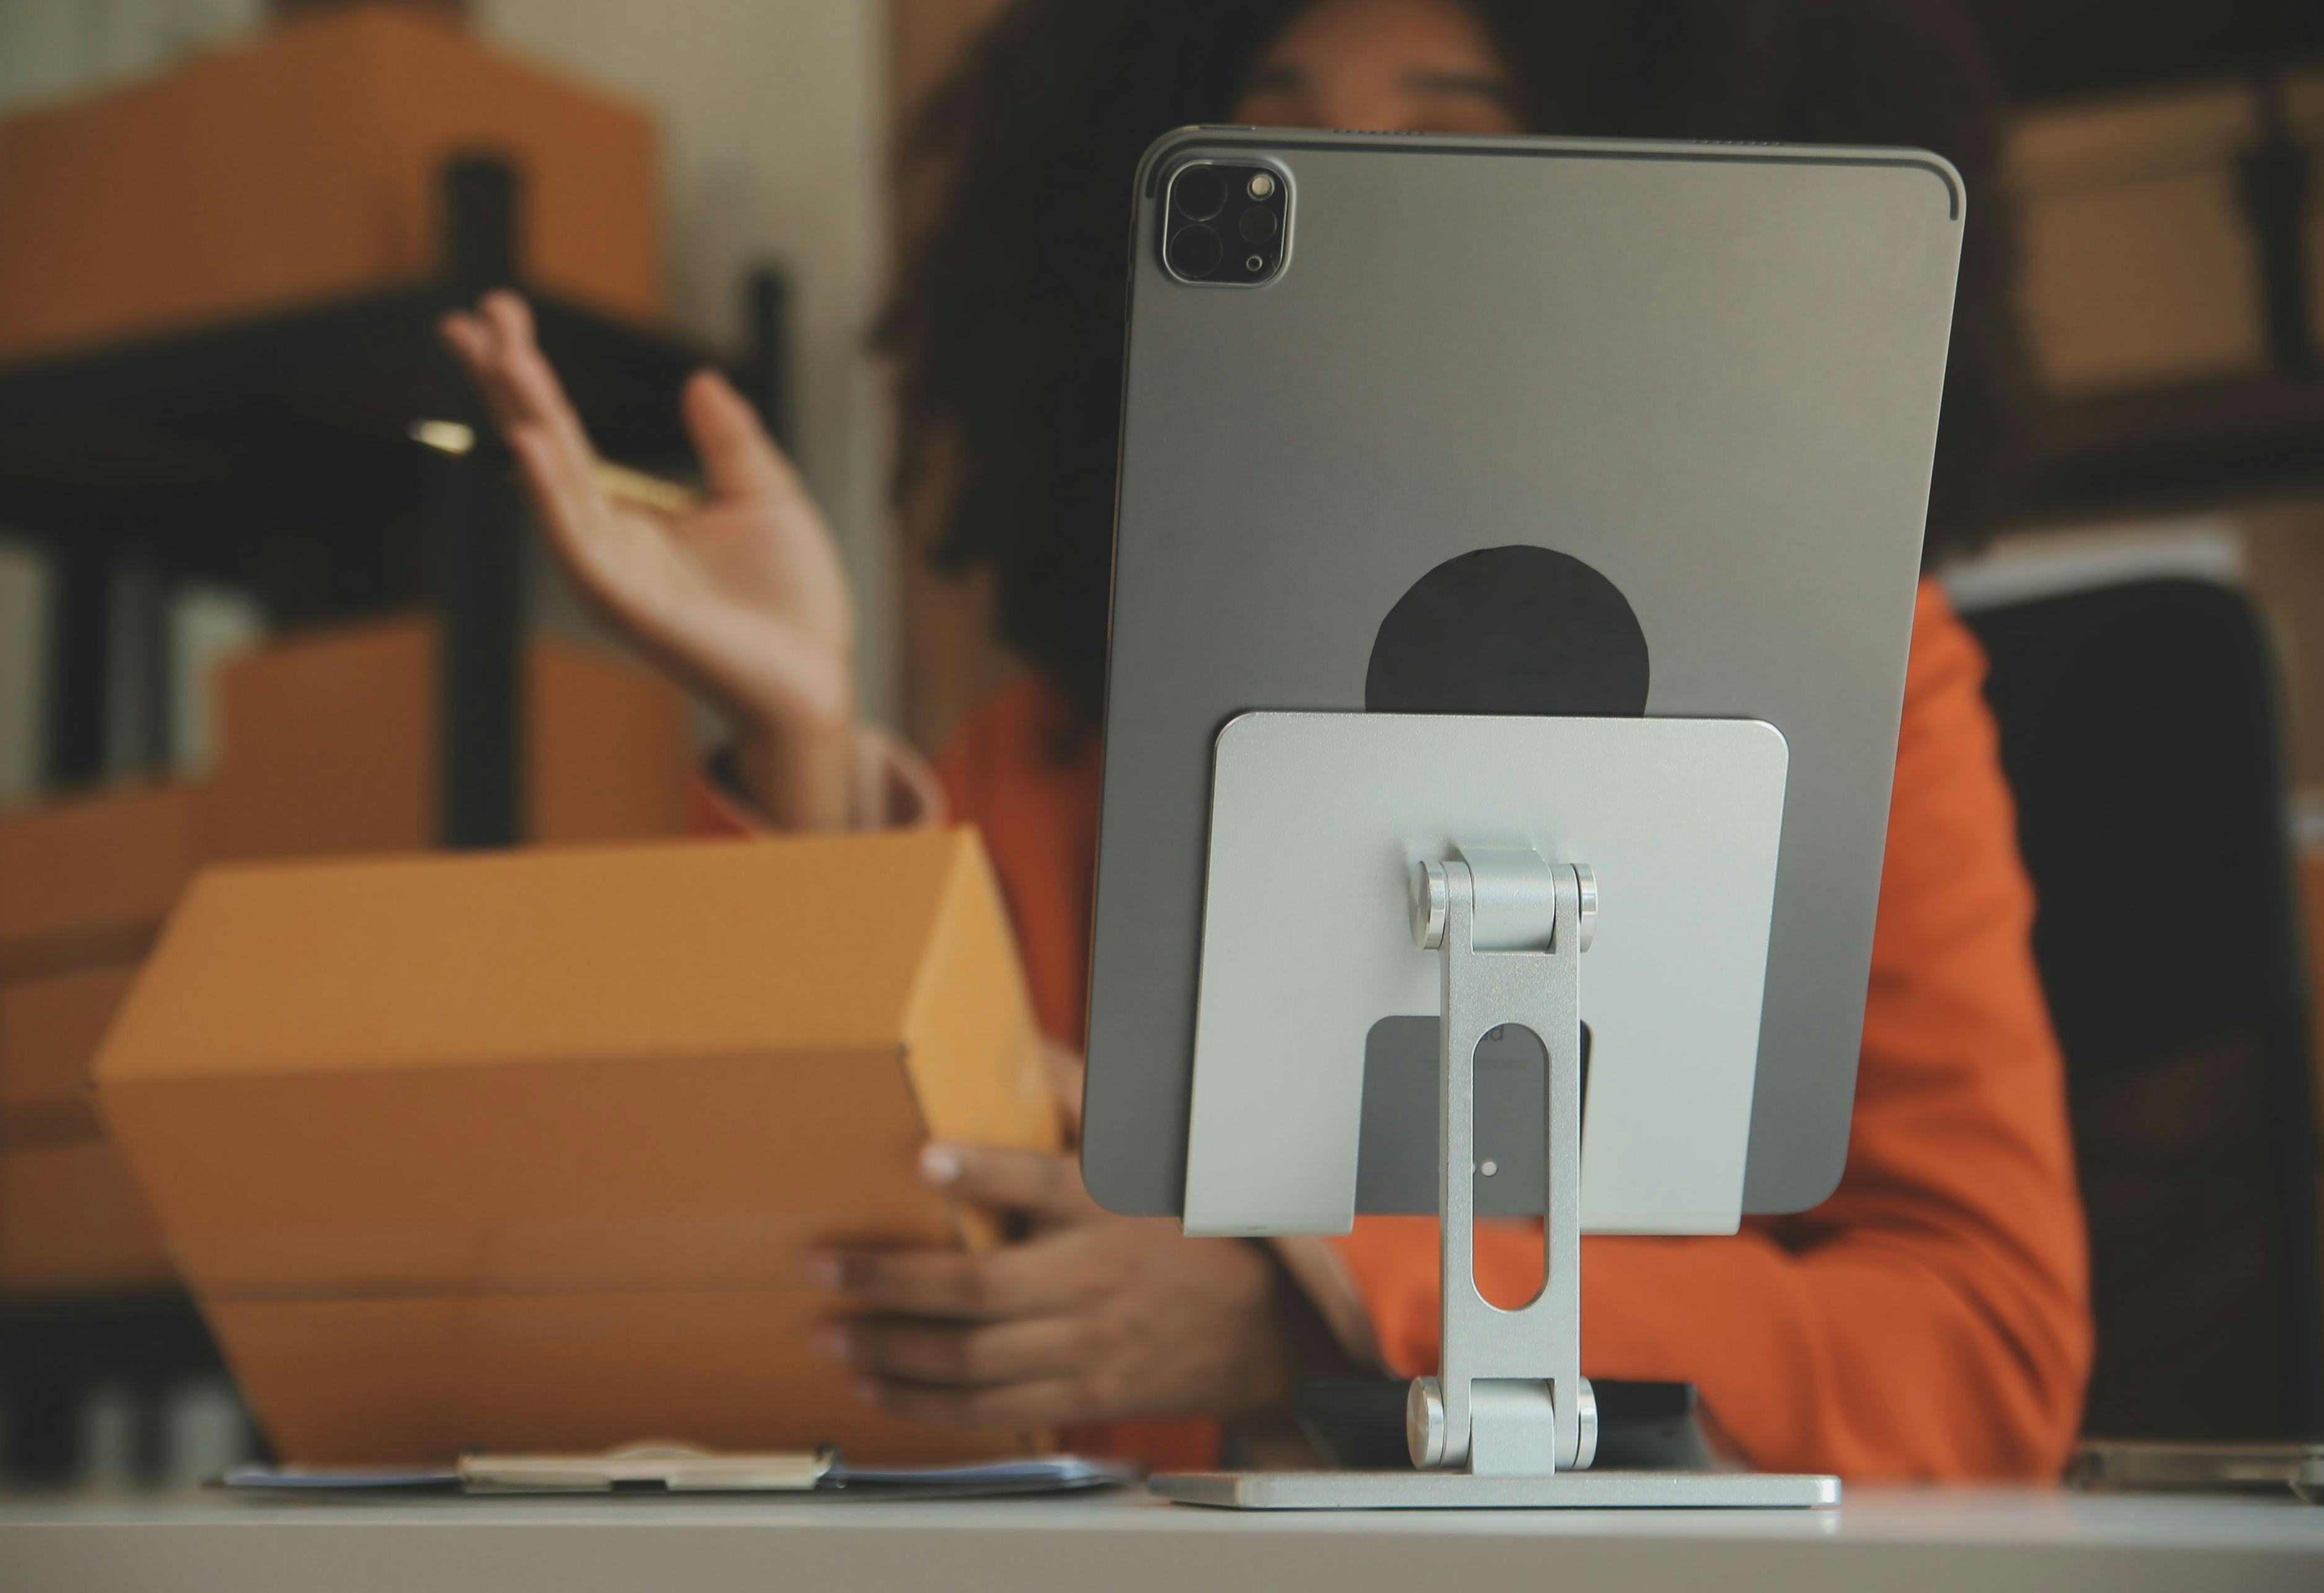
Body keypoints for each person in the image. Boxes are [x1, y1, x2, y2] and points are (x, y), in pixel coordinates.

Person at [442, 0, 2091, 1480]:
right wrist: (794, 723)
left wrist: (1307, 1299)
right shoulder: (1062, 746)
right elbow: (871, 1283)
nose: (1343, 180)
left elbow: (1980, 1349)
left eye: (1451, 137)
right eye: (1275, 125)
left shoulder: (1859, 693)